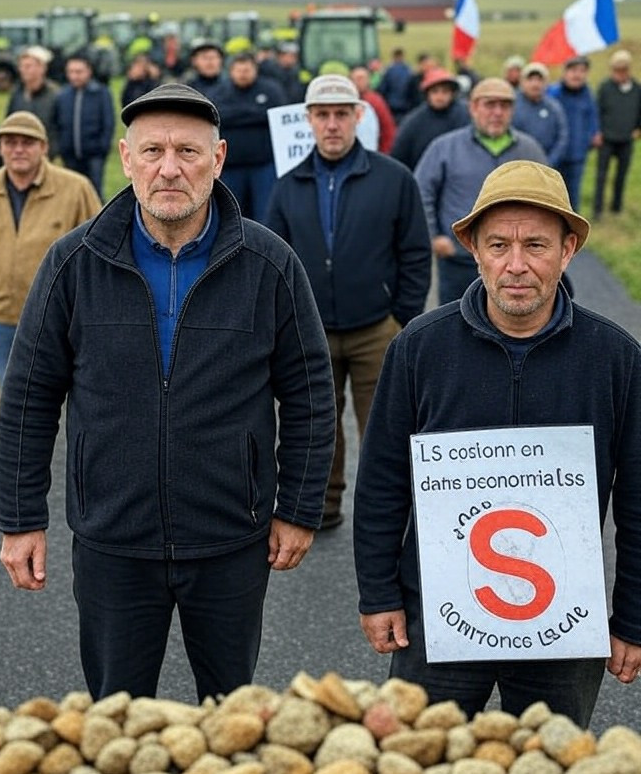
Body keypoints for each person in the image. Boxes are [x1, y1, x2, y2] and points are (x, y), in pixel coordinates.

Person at [0, 83, 335, 702]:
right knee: (117, 719)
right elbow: (28, 396)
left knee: (232, 714)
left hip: (231, 536)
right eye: (153, 151)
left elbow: (311, 395)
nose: (169, 168)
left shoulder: (270, 264)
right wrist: (20, 518)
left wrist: (298, 507)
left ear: (220, 158)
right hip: (113, 540)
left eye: (188, 151)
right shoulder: (73, 264)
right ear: (126, 159)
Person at [354, 160, 641, 727]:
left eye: (536, 244)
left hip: (561, 627)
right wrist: (379, 592)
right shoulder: (419, 348)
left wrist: (632, 616)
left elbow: (638, 499)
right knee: (419, 757)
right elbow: (383, 479)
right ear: (474, 251)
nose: (516, 265)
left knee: (549, 762)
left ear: (568, 250)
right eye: (498, 244)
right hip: (436, 616)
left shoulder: (615, 358)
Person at [265, 74, 431, 529]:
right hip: (311, 330)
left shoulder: (394, 178)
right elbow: (273, 260)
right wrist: (285, 322)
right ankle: (324, 505)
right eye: (323, 115)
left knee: (385, 425)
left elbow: (414, 251)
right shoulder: (289, 185)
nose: (333, 124)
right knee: (318, 424)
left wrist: (403, 318)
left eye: (342, 114)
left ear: (359, 116)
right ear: (309, 120)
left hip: (377, 327)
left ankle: (390, 514)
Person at [0, 112, 101, 385]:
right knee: (14, 405)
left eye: (27, 142)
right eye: (10, 142)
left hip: (62, 322)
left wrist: (94, 314)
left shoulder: (76, 189)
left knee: (68, 400)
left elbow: (99, 255)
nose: (18, 149)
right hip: (2, 321)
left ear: (44, 147)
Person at [415, 77, 547, 305]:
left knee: (513, 328)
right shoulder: (444, 147)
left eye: (504, 105)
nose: (497, 112)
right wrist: (434, 236)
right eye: (489, 104)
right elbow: (421, 191)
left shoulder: (530, 149)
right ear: (473, 107)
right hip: (458, 259)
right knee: (455, 327)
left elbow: (550, 200)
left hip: (516, 265)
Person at [214, 51, 286, 220]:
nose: (243, 74)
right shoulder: (219, 91)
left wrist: (237, 115)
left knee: (265, 215)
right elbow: (218, 116)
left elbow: (275, 116)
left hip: (264, 166)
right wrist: (255, 113)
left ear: (255, 70)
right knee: (231, 215)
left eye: (247, 70)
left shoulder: (272, 89)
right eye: (239, 70)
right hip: (230, 167)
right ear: (231, 71)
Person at [54, 52, 115, 200]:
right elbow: (56, 122)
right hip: (70, 155)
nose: (75, 76)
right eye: (71, 72)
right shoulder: (63, 95)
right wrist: (62, 147)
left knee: (94, 192)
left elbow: (108, 122)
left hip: (94, 154)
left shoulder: (101, 93)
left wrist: (102, 147)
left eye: (79, 72)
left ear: (89, 71)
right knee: (72, 193)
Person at [547, 55, 601, 211]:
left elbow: (593, 118)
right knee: (553, 194)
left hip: (577, 154)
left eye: (582, 71)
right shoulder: (553, 93)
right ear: (565, 72)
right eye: (573, 70)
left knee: (573, 195)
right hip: (555, 154)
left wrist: (594, 134)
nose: (577, 75)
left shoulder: (587, 95)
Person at [389, 68, 470, 171]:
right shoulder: (414, 121)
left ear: (452, 94)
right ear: (427, 94)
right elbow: (398, 156)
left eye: (445, 91)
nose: (440, 97)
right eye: (435, 92)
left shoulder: (465, 115)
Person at [593, 49, 641, 218]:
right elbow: (597, 111)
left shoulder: (637, 89)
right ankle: (597, 210)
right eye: (615, 70)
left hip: (627, 140)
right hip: (606, 139)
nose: (618, 74)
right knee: (601, 176)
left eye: (622, 70)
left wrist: (638, 129)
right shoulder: (605, 88)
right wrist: (597, 132)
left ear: (628, 70)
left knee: (621, 175)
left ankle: (616, 207)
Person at [6, 46, 60, 159]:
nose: (23, 70)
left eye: (28, 66)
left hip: (46, 156)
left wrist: (51, 152)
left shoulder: (55, 95)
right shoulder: (16, 94)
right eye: (22, 66)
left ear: (42, 68)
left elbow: (60, 128)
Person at [511, 62, 568, 169]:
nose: (535, 84)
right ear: (522, 82)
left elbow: (562, 137)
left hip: (547, 166)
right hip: (517, 166)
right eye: (530, 79)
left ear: (546, 83)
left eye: (539, 80)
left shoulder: (554, 107)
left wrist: (548, 163)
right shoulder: (512, 105)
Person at [350, 65, 396, 154]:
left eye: (362, 78)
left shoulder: (376, 101)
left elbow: (388, 130)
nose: (359, 82)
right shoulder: (346, 102)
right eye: (356, 79)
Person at [377, 48, 412, 122]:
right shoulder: (408, 71)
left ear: (394, 57)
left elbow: (383, 88)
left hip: (392, 105)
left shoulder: (388, 71)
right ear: (402, 57)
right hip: (406, 106)